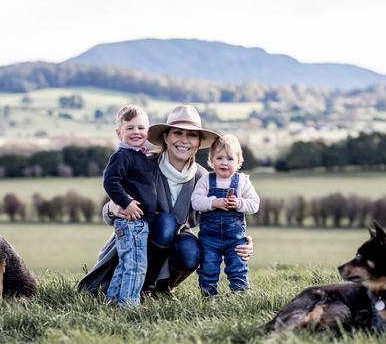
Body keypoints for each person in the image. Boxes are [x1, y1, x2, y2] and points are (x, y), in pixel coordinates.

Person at [78, 105, 254, 298]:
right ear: (166, 137)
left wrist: (242, 241)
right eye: (177, 132)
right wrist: (112, 208)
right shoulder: (144, 164)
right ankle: (140, 286)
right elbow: (110, 207)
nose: (184, 140)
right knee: (165, 222)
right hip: (138, 240)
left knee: (189, 248)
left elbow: (223, 216)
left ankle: (163, 288)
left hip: (176, 245)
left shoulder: (203, 178)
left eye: (192, 135)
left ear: (199, 142)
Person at [191, 135, 260, 297]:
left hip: (234, 238)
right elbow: (195, 201)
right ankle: (208, 297)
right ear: (211, 160)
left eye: (230, 158)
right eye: (219, 158)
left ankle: (240, 294)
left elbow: (255, 204)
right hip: (209, 239)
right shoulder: (206, 180)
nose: (224, 162)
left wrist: (239, 203)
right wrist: (213, 203)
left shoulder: (242, 182)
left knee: (238, 267)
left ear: (239, 162)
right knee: (208, 268)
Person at [102, 105, 156, 306]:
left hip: (139, 223)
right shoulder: (122, 156)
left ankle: (113, 300)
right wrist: (126, 202)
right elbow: (110, 181)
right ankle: (129, 306)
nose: (136, 132)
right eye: (130, 128)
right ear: (119, 132)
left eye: (141, 128)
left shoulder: (139, 155)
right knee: (136, 266)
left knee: (126, 265)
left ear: (148, 131)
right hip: (132, 221)